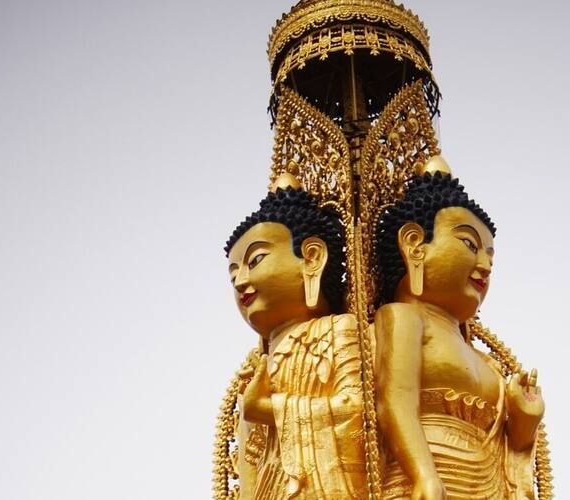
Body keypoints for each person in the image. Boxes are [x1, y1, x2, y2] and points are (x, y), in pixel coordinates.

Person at [373, 169, 545, 500]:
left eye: (489, 254)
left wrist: (524, 419)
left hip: (488, 484)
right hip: (427, 476)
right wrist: (424, 474)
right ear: (414, 246)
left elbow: (505, 444)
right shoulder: (404, 317)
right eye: (469, 244)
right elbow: (394, 400)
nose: (485, 264)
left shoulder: (484, 360)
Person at [225, 176, 367, 499]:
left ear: (312, 257)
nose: (241, 282)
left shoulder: (337, 331)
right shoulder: (255, 369)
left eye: (256, 260)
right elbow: (251, 464)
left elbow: (355, 409)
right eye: (234, 274)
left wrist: (271, 408)